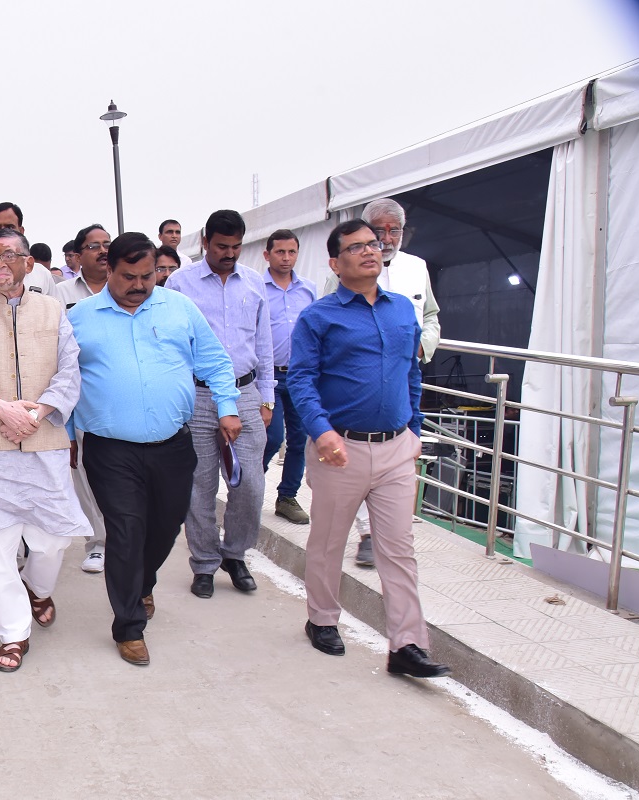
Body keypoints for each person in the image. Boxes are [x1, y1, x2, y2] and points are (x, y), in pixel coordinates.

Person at [288, 220, 449, 678]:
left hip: (396, 447)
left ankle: (407, 646)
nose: (370, 251)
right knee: (328, 542)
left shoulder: (402, 312)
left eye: (374, 244)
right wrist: (322, 432)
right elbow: (301, 379)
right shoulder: (318, 317)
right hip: (339, 448)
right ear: (335, 264)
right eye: (356, 247)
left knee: (398, 549)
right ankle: (322, 619)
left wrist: (414, 428)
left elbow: (411, 372)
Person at [72, 233, 239, 665]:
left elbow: (215, 361)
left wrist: (227, 407)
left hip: (173, 445)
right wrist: (68, 433)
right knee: (126, 530)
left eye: (148, 276)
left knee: (166, 527)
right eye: (129, 276)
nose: (140, 285)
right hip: (111, 449)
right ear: (108, 270)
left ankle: (143, 582)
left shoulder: (179, 308)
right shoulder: (79, 318)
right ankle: (129, 626)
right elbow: (64, 379)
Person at [0, 229, 87, 671]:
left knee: (53, 540)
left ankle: (38, 589)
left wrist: (38, 412)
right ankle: (12, 635)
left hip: (44, 439)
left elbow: (70, 369)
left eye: (8, 255)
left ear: (29, 263)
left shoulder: (52, 309)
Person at [321, 198, 442, 567]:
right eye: (379, 231)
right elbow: (324, 323)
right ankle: (366, 533)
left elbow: (432, 316)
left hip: (403, 378)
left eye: (395, 231)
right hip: (356, 383)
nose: (387, 239)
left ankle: (388, 533)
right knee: (358, 451)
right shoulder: (343, 271)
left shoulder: (417, 267)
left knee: (395, 455)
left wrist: (424, 344)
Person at [166, 210, 273, 599]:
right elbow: (171, 344)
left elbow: (264, 342)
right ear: (205, 243)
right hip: (197, 395)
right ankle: (205, 562)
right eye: (222, 246)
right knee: (199, 483)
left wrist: (268, 397)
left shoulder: (255, 283)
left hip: (245, 392)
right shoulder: (180, 284)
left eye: (236, 247)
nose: (229, 254)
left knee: (251, 484)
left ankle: (235, 554)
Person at [54, 225, 113, 574]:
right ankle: (97, 543)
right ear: (77, 255)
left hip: (117, 395)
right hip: (78, 397)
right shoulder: (61, 293)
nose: (103, 251)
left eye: (107, 244)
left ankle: (123, 538)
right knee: (85, 475)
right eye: (94, 246)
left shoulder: (125, 288)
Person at [261, 229, 319, 525]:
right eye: (280, 252)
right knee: (271, 437)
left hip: (300, 375)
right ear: (267, 254)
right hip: (268, 376)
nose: (286, 258)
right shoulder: (257, 287)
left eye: (291, 252)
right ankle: (249, 485)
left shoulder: (308, 289)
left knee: (299, 439)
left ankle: (287, 497)